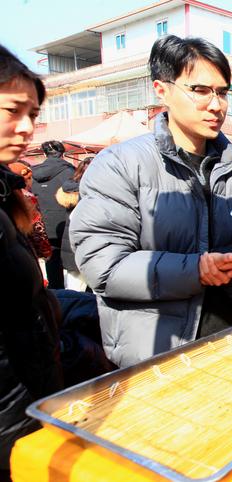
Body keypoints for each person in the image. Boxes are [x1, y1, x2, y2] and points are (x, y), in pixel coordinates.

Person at [70, 35, 232, 368]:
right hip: (158, 350)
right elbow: (104, 265)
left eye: (223, 92)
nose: (216, 105)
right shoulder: (120, 164)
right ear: (162, 90)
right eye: (200, 90)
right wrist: (196, 270)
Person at [0, 44, 63, 477]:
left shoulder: (6, 193)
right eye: (13, 110)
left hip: (29, 398)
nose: (26, 128)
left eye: (33, 115)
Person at [32, 140, 75, 288]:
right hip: (67, 221)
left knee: (51, 258)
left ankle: (56, 290)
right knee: (73, 260)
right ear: (62, 154)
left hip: (44, 222)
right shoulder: (70, 172)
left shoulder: (33, 174)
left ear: (45, 154)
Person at [56, 157, 93, 291]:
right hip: (91, 246)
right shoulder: (96, 192)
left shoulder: (70, 190)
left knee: (74, 288)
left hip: (72, 246)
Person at [8, 160, 51, 259]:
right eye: (29, 178)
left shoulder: (5, 197)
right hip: (25, 250)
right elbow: (38, 229)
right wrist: (45, 251)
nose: (31, 181)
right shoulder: (28, 199)